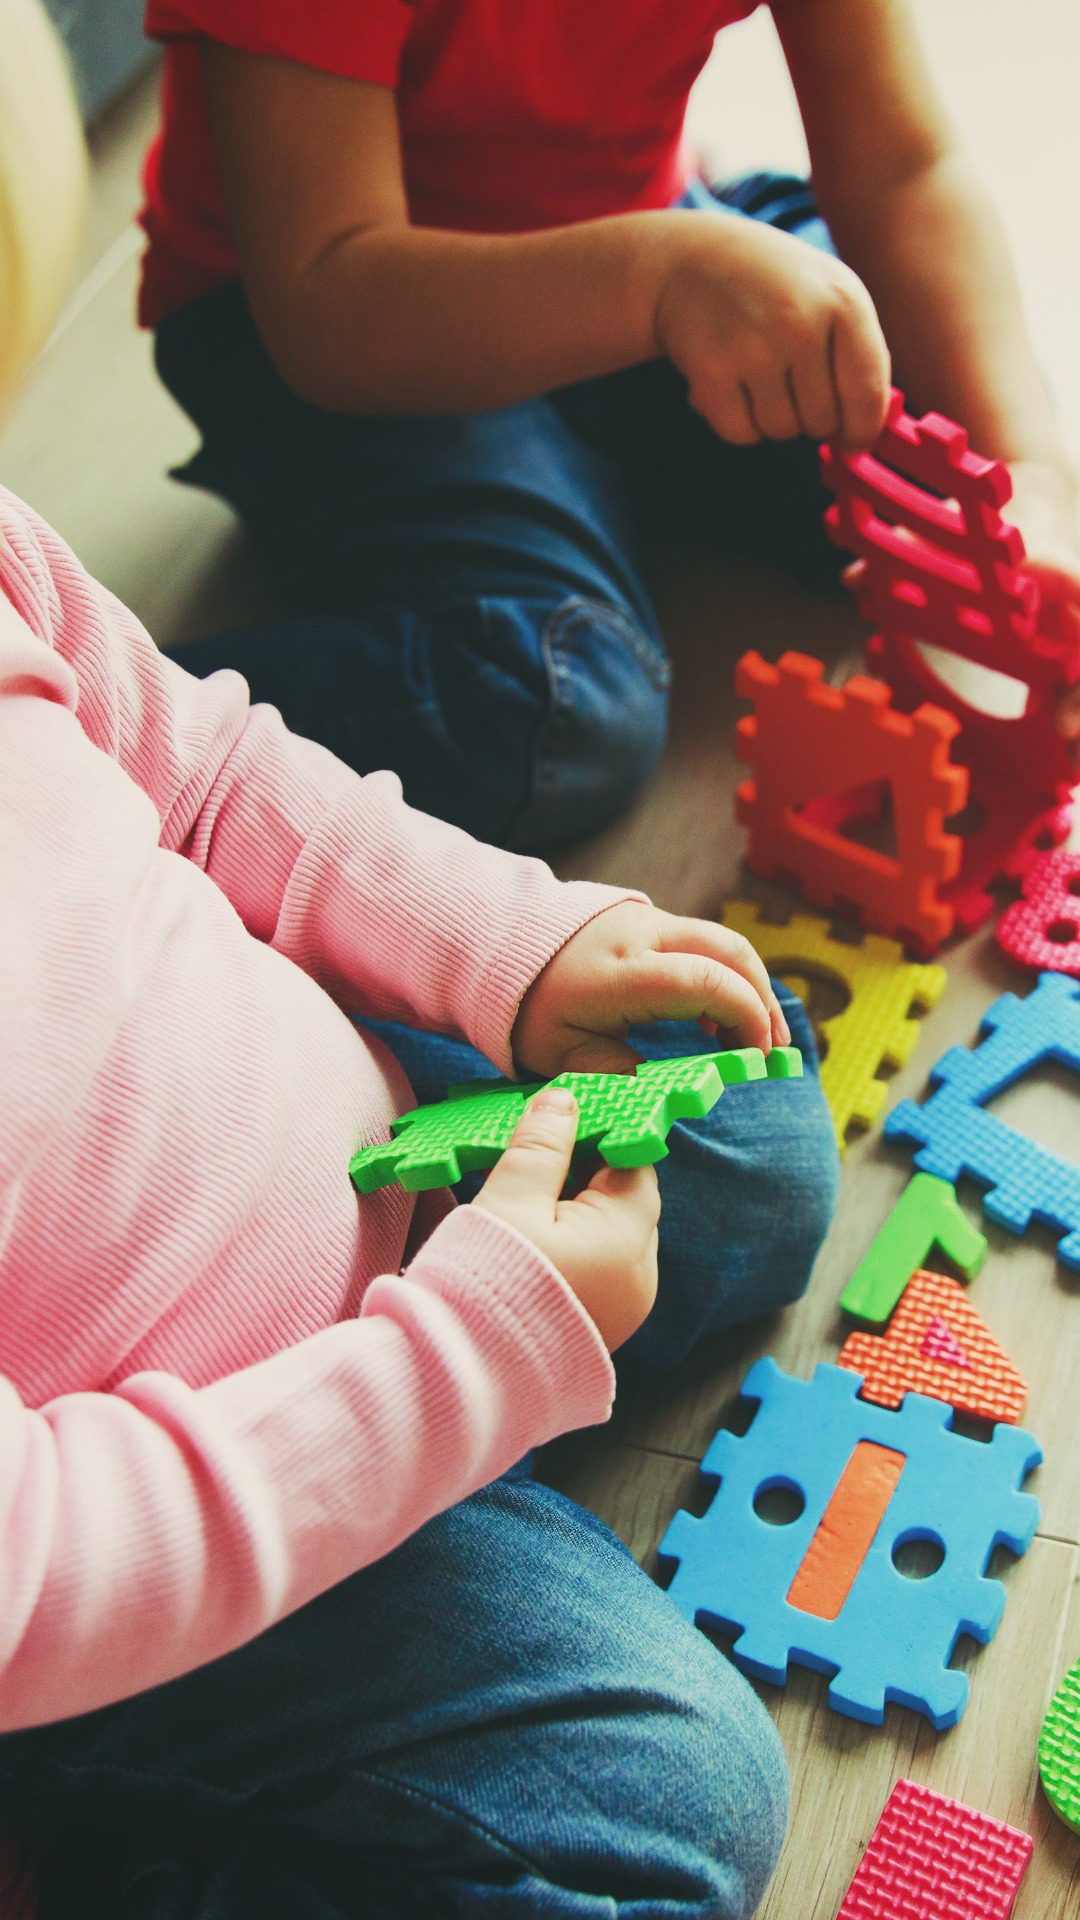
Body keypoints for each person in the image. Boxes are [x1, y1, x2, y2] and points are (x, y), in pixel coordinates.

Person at [0, 5, 838, 1914]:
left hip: (368, 1157)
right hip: (172, 1532)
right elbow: (46, 1554)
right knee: (675, 1796)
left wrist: (516, 948)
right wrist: (477, 1357)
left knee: (753, 1122)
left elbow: (209, 768)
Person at [138, 0, 1080, 850]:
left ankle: (603, 452)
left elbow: (902, 169)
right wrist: (659, 281)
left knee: (950, 432)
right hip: (336, 327)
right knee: (549, 703)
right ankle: (77, 710)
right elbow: (325, 307)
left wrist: (1026, 472)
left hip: (646, 233)